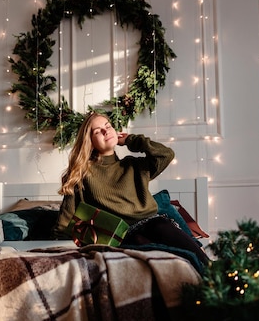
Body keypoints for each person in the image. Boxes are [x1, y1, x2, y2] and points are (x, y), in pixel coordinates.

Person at [53, 111, 209, 266]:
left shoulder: (133, 166)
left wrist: (131, 140)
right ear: (90, 142)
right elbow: (65, 222)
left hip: (154, 224)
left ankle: (214, 277)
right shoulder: (81, 174)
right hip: (121, 236)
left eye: (108, 126)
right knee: (147, 251)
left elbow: (165, 155)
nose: (106, 131)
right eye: (97, 131)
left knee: (182, 245)